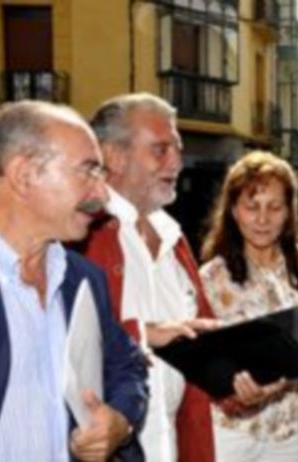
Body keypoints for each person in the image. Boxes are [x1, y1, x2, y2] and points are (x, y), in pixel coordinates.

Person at [0, 101, 148, 460]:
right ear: (24, 175)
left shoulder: (83, 277)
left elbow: (126, 364)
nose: (102, 194)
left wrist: (120, 421)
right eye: (88, 171)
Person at [84, 93, 219, 461]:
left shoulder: (175, 238)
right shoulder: (81, 234)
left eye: (177, 148)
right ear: (113, 156)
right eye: (160, 150)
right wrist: (144, 334)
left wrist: (240, 375)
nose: (177, 161)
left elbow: (201, 340)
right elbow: (65, 344)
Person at [198, 151, 298, 461]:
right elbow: (199, 360)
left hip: (290, 429)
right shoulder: (210, 278)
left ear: (289, 212)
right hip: (234, 433)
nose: (263, 219)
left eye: (275, 207)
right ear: (233, 210)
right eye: (252, 207)